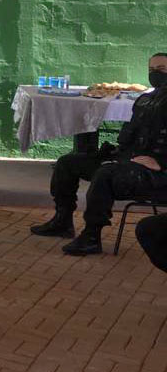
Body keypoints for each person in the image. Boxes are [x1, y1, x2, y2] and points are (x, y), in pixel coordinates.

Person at [30, 53, 167, 242]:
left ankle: (91, 236)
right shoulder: (144, 100)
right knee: (67, 163)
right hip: (130, 161)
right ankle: (62, 221)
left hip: (157, 174)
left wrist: (161, 163)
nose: (155, 74)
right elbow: (128, 137)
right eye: (152, 70)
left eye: (161, 70)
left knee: (105, 174)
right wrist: (116, 153)